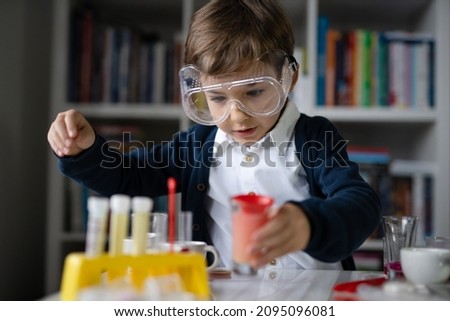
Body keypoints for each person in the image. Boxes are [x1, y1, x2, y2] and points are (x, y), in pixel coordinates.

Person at [47, 0, 380, 271]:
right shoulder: (197, 144)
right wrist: (84, 150)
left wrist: (310, 224)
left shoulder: (313, 137)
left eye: (254, 92)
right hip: (230, 296)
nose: (236, 115)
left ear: (288, 78)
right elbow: (128, 177)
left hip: (314, 298)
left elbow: (360, 204)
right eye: (217, 98)